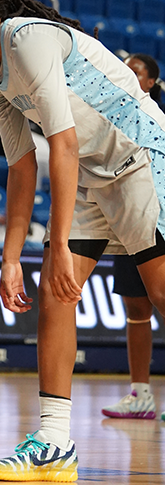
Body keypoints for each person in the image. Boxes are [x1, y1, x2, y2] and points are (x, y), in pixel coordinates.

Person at [0, 0, 165, 482]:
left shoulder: (26, 36)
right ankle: (55, 442)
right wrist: (11, 256)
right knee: (56, 292)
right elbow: (21, 165)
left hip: (141, 157)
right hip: (90, 176)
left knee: (160, 292)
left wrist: (56, 240)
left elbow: (62, 140)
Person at [101, 52, 164, 420]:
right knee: (136, 308)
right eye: (122, 67)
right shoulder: (110, 111)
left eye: (135, 70)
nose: (126, 73)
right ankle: (140, 394)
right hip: (125, 217)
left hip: (158, 213)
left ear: (151, 82)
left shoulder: (157, 116)